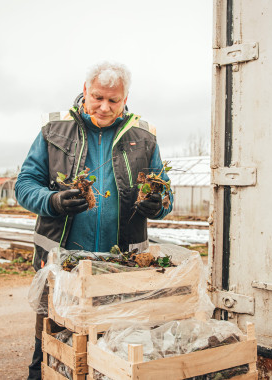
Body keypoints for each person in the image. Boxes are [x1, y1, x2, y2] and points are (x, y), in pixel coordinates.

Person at [15, 61, 173, 380]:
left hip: (120, 268)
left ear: (125, 98)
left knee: (111, 354)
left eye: (113, 101)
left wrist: (158, 204)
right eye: (98, 97)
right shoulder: (55, 130)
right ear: (85, 90)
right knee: (52, 351)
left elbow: (167, 196)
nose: (104, 107)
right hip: (61, 266)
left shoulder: (143, 136)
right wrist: (52, 200)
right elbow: (24, 184)